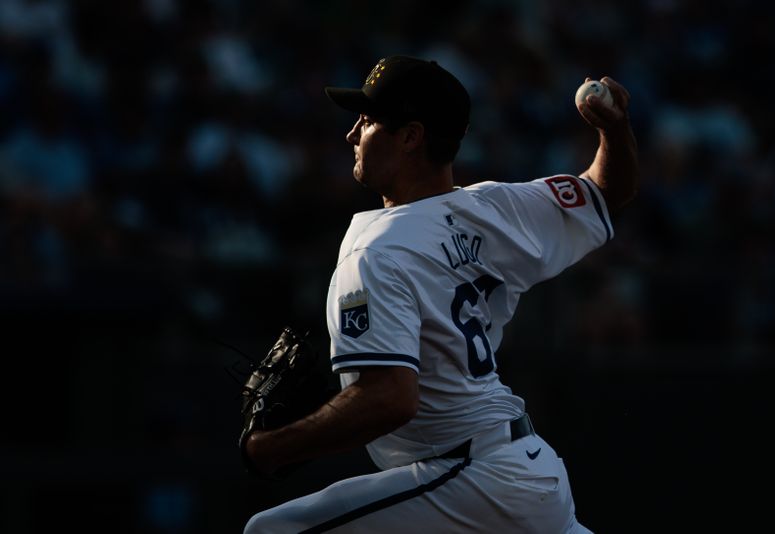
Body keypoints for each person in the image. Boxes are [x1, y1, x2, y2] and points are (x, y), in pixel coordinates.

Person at [242, 55, 638, 533]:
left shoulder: (375, 251)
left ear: (410, 137)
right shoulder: (494, 209)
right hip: (524, 469)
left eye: (367, 122)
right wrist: (614, 131)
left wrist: (273, 447)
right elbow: (605, 190)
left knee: (270, 531)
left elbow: (390, 399)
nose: (352, 134)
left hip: (470, 479)